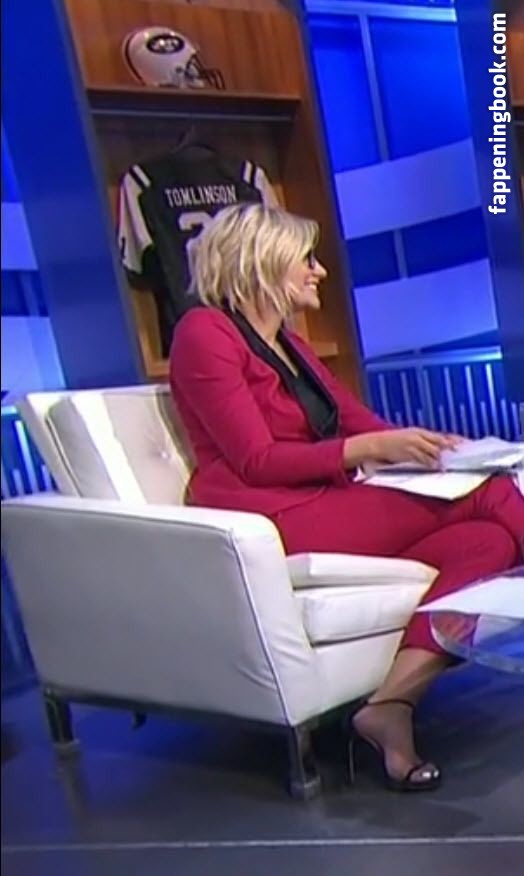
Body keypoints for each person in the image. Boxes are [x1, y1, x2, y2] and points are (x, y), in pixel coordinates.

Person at [169, 203, 524, 792]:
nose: (320, 271)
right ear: (263, 261)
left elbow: (364, 424)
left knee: (484, 540)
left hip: (325, 502)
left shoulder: (289, 344)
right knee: (489, 495)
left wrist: (439, 449)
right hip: (273, 516)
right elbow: (257, 460)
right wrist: (371, 449)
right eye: (306, 259)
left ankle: (391, 706)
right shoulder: (204, 333)